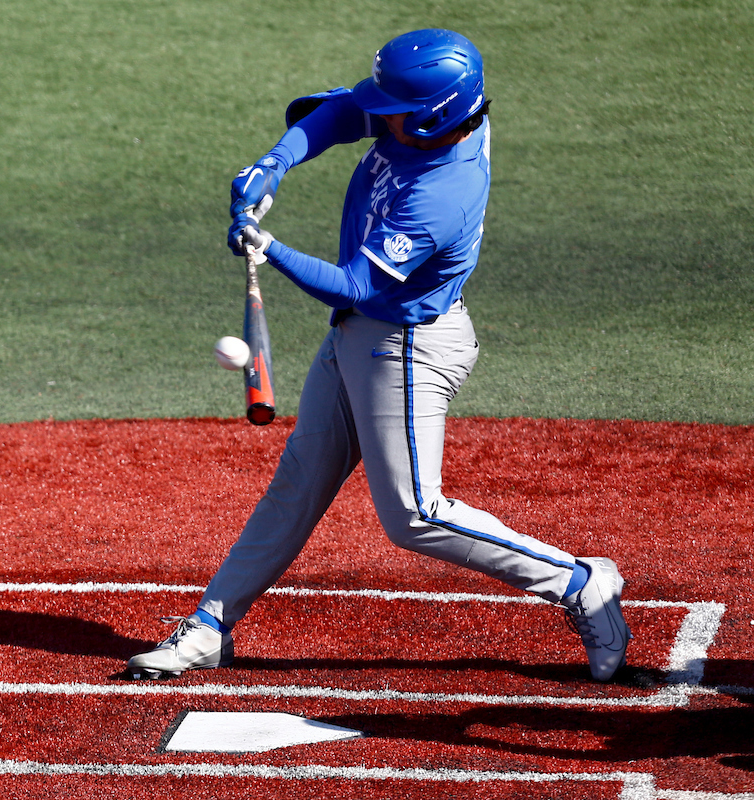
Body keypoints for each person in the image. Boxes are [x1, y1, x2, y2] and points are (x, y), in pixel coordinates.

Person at [125, 29, 632, 683]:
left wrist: (267, 247)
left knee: (415, 515)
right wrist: (271, 164)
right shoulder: (433, 117)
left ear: (431, 116)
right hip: (361, 336)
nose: (380, 115)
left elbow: (357, 284)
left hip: (406, 350)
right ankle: (212, 625)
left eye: (394, 108)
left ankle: (578, 582)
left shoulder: (442, 194)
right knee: (301, 479)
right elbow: (336, 112)